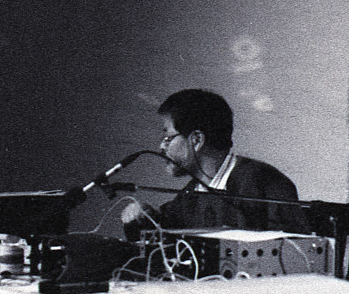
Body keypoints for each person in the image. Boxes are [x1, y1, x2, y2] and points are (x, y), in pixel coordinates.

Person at [121, 89, 308, 237]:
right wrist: (141, 217)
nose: (161, 146)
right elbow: (162, 239)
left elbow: (295, 252)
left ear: (196, 140)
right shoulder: (190, 194)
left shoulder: (263, 181)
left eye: (168, 137)